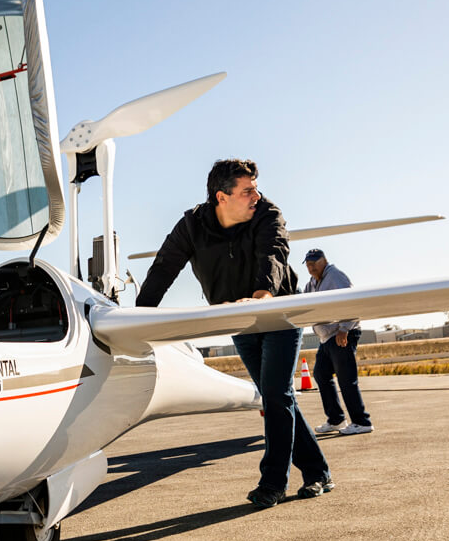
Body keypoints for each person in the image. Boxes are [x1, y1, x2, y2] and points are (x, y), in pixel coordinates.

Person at [136, 159, 332, 508]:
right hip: (236, 320)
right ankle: (318, 472)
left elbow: (274, 253)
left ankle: (273, 483)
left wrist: (260, 296)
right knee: (277, 396)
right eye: (247, 191)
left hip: (277, 312)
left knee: (275, 393)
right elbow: (164, 267)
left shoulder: (268, 213)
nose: (256, 195)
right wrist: (139, 318)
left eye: (255, 188)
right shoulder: (192, 225)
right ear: (221, 197)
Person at [302, 248, 373, 436]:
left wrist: (344, 329)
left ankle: (361, 422)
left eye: (314, 263)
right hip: (326, 338)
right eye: (308, 264)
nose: (310, 267)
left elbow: (352, 302)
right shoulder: (312, 283)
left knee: (346, 379)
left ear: (324, 261)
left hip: (341, 334)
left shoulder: (335, 276)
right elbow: (304, 301)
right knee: (321, 374)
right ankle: (336, 419)